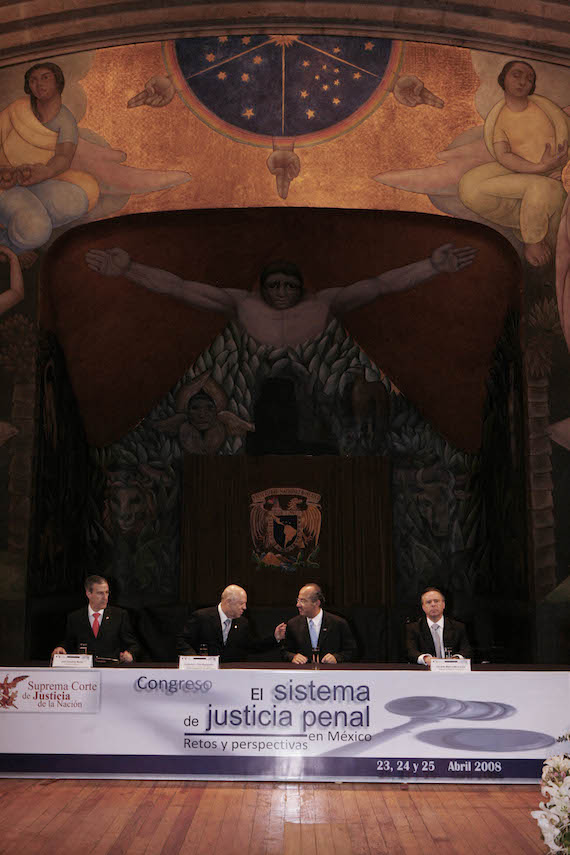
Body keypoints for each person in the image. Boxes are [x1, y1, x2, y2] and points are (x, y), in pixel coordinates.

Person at [84, 244, 477, 348]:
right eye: (276, 286)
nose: (283, 294)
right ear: (262, 288)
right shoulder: (243, 303)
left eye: (289, 286)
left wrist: (432, 266)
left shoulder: (324, 303)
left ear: (302, 288)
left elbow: (380, 285)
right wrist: (129, 269)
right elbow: (179, 288)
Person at [459, 60, 569, 267]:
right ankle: (524, 221)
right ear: (504, 78)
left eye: (529, 79)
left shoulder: (545, 108)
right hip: (527, 170)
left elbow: (567, 135)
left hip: (555, 174)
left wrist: (561, 168)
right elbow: (504, 156)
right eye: (517, 75)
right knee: (469, 186)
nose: (523, 82)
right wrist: (539, 168)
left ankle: (534, 239)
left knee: (540, 188)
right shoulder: (500, 118)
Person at [0, 63, 98, 260]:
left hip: (35, 180)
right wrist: (4, 171)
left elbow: (63, 157)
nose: (39, 84)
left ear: (58, 83)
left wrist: (44, 172)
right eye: (33, 80)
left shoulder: (65, 119)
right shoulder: (17, 110)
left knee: (76, 201)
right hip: (5, 183)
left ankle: (18, 233)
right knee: (36, 229)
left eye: (45, 77)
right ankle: (10, 247)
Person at [176, 584, 287, 663]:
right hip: (204, 674)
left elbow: (253, 646)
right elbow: (182, 641)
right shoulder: (201, 617)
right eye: (241, 603)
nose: (245, 607)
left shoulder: (243, 623)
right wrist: (195, 660)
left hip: (232, 675)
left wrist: (275, 638)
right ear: (228, 602)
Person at [51, 575, 140, 662]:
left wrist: (130, 654)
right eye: (100, 593)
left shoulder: (119, 615)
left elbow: (133, 644)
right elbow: (69, 643)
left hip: (111, 670)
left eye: (107, 592)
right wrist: (60, 648)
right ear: (89, 594)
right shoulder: (75, 617)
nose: (105, 597)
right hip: (84, 670)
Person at [281, 583, 357, 664]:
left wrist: (337, 658)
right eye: (298, 600)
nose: (298, 605)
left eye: (303, 601)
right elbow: (285, 652)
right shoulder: (293, 624)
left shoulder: (338, 623)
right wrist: (293, 657)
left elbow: (353, 652)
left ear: (316, 603)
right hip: (303, 674)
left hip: (331, 673)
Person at [405, 586, 472, 666]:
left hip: (453, 671)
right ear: (423, 607)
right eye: (429, 602)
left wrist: (456, 659)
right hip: (425, 673)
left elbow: (467, 650)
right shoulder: (414, 628)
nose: (433, 604)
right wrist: (426, 659)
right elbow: (411, 652)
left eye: (436, 601)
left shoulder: (458, 627)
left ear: (443, 604)